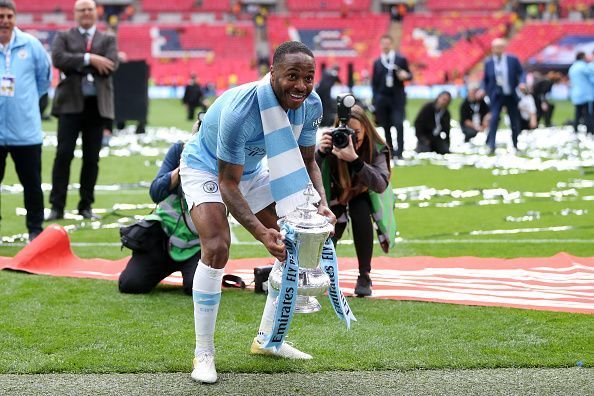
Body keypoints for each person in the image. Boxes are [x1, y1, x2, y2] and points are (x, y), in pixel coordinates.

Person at [179, 41, 335, 384]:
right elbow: (227, 183)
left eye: (308, 77)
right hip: (207, 169)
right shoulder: (241, 111)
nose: (301, 85)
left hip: (250, 171)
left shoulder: (311, 103)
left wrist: (320, 202)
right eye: (292, 76)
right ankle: (203, 352)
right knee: (217, 247)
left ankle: (268, 340)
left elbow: (308, 160)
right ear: (272, 73)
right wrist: (262, 233)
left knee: (292, 241)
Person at [46, 0, 119, 221]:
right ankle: (56, 206)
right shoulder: (63, 36)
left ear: (95, 13)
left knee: (91, 159)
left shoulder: (108, 38)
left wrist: (76, 64)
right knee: (63, 155)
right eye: (82, 10)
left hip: (97, 107)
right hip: (70, 104)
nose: (86, 13)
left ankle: (85, 205)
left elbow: (111, 65)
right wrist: (90, 59)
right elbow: (59, 59)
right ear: (75, 13)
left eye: (89, 9)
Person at [315, 104, 391, 297]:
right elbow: (308, 175)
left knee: (360, 211)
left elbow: (381, 184)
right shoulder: (331, 145)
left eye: (356, 132)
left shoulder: (376, 147)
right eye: (346, 133)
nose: (351, 138)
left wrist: (355, 160)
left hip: (362, 195)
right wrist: (320, 155)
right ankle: (321, 271)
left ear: (366, 129)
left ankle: (364, 275)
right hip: (335, 196)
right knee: (330, 226)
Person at [118, 138, 201, 296]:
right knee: (130, 284)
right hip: (164, 238)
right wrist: (182, 167)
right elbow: (155, 193)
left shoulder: (221, 159)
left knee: (198, 289)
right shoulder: (180, 150)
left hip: (199, 245)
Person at [0, 0, 51, 242]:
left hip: (26, 131)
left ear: (15, 18)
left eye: (9, 16)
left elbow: (44, 80)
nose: (5, 21)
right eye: (0, 16)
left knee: (32, 185)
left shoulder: (31, 45)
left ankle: (35, 230)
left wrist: (25, 104)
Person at [371, 34, 412, 159]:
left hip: (397, 98)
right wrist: (376, 99)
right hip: (382, 99)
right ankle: (390, 151)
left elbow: (409, 75)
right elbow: (375, 83)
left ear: (391, 44)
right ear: (381, 45)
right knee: (386, 126)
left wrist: (406, 76)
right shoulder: (378, 62)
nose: (385, 45)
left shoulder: (400, 59)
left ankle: (400, 152)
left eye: (387, 43)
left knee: (398, 124)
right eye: (383, 43)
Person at [482, 38, 525, 154]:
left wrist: (522, 83)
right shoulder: (489, 62)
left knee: (514, 120)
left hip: (510, 94)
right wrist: (483, 90)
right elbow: (485, 80)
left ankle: (515, 144)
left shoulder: (512, 60)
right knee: (494, 119)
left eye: (499, 47)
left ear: (503, 48)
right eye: (495, 47)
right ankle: (491, 144)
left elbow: (521, 73)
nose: (497, 49)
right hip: (496, 96)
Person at [568, 52, 593, 135]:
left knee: (577, 114)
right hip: (585, 94)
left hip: (576, 94)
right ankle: (590, 131)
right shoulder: (584, 66)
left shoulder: (572, 67)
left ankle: (575, 130)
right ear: (582, 57)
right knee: (588, 114)